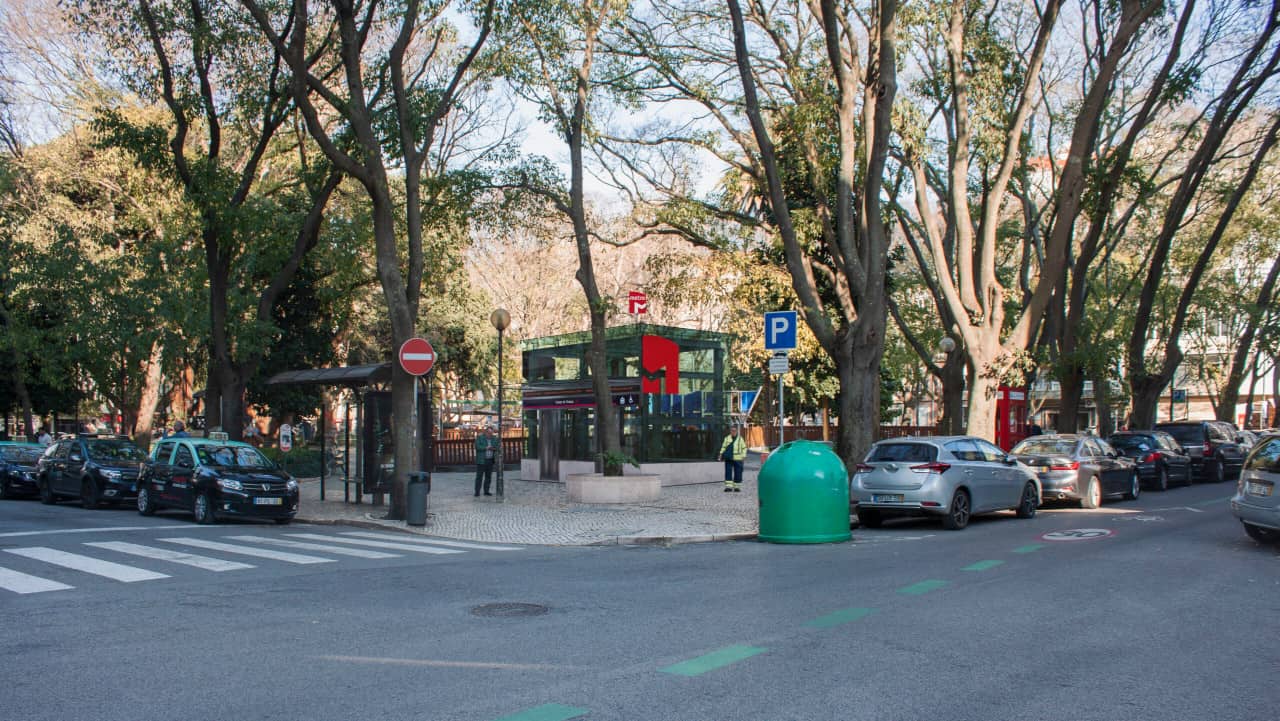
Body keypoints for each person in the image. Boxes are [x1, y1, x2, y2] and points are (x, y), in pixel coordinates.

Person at [719, 425, 747, 492]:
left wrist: (743, 456)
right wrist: (720, 454)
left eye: (734, 431)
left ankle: (737, 487)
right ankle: (728, 487)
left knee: (738, 473)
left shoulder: (740, 439)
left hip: (738, 459)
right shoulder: (727, 438)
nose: (733, 432)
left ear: (737, 431)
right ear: (730, 431)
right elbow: (723, 447)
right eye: (732, 431)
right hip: (728, 458)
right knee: (728, 472)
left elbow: (744, 448)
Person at [474, 428, 498, 497]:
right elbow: (477, 447)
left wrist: (493, 448)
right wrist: (486, 448)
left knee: (488, 477)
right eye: (489, 433)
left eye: (491, 433)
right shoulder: (480, 437)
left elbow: (497, 447)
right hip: (481, 460)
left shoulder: (494, 438)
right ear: (485, 432)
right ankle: (477, 492)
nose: (490, 434)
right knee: (479, 477)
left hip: (490, 460)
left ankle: (486, 491)